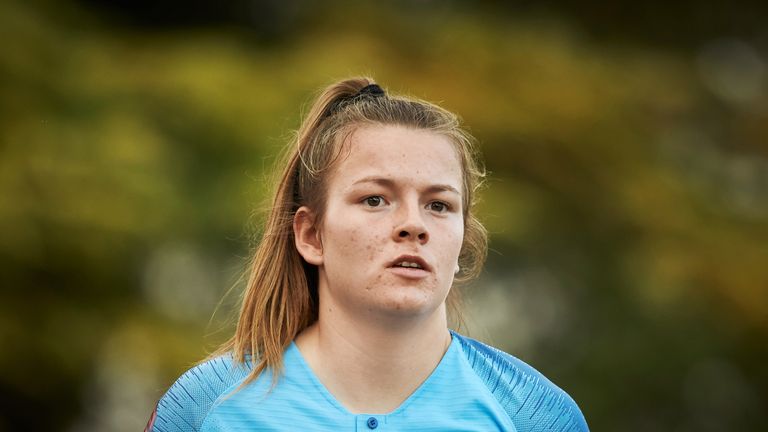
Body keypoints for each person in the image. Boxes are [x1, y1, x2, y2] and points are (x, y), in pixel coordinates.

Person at [146, 77, 589, 431]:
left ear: (462, 244)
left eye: (439, 205)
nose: (413, 224)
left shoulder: (535, 417)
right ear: (311, 235)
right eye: (375, 199)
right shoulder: (207, 409)